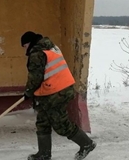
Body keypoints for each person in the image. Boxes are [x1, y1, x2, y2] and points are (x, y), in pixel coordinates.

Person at [21, 31, 97, 160]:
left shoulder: (38, 53)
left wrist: (28, 91)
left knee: (61, 125)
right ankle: (43, 154)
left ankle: (87, 144)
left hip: (57, 92)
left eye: (24, 46)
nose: (25, 50)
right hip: (54, 90)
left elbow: (35, 77)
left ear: (28, 43)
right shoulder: (50, 47)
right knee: (43, 122)